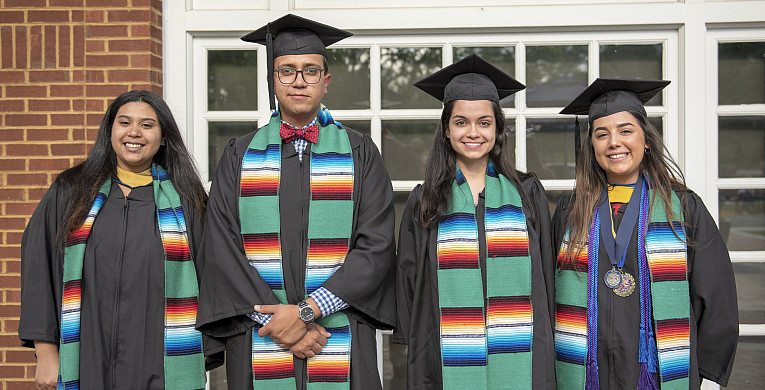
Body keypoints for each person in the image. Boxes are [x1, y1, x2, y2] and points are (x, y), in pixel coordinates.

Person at [195, 14, 396, 389]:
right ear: (272, 80)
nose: (299, 80)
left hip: (341, 332)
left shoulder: (359, 152)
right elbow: (222, 248)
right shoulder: (240, 155)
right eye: (286, 70)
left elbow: (377, 245)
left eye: (311, 71)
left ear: (326, 82)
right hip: (260, 333)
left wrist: (309, 310)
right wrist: (279, 324)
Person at [19, 90, 219, 389]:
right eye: (124, 122)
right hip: (86, 353)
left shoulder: (187, 201)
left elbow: (214, 277)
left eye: (147, 125)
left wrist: (204, 350)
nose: (134, 132)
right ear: (110, 131)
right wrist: (45, 351)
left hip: (161, 359)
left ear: (163, 136)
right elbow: (39, 266)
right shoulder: (71, 192)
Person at [552, 79, 739, 389]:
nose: (614, 142)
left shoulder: (681, 207)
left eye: (625, 130)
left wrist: (706, 370)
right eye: (602, 134)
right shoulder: (572, 210)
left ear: (647, 140)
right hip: (586, 370)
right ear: (592, 146)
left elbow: (716, 292)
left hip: (656, 371)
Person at [394, 53, 556, 389]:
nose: (473, 132)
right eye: (461, 122)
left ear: (498, 129)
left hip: (522, 348)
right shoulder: (425, 200)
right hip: (443, 353)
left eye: (484, 122)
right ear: (446, 130)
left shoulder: (527, 194)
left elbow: (546, 279)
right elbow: (409, 284)